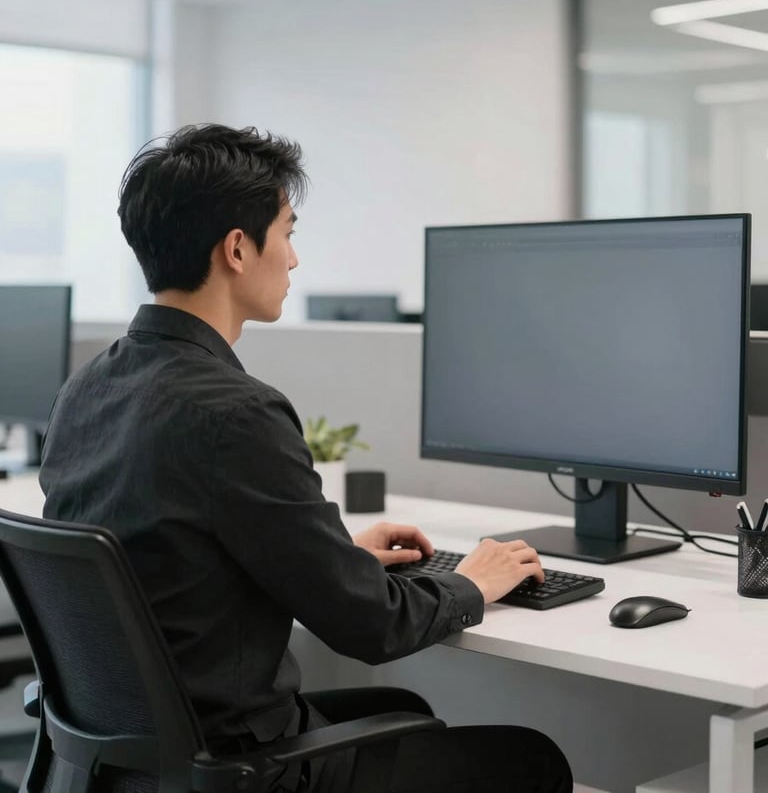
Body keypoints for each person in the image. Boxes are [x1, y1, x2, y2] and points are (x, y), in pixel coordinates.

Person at [39, 124, 573, 793]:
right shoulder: (235, 412)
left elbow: (170, 558)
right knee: (531, 761)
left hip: (130, 763)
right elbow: (371, 628)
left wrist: (331, 558)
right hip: (235, 768)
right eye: (287, 232)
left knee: (406, 715)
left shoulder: (87, 387)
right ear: (238, 248)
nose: (292, 259)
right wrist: (474, 581)